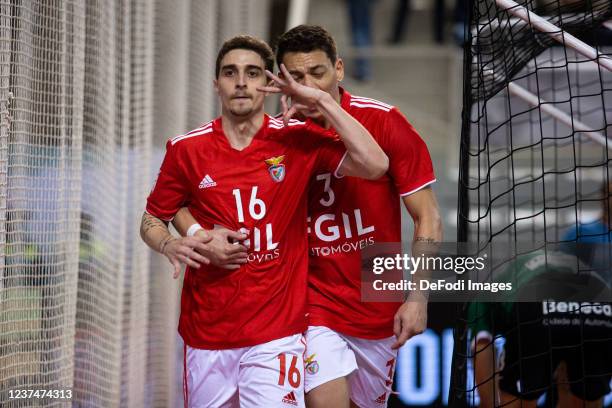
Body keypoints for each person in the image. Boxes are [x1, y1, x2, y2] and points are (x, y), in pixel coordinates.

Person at [174, 25, 442, 408]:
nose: (308, 86)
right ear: (279, 82)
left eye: (318, 74)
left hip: (375, 293)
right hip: (310, 304)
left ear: (339, 69)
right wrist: (198, 231)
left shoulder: (384, 122)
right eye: (296, 78)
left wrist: (418, 298)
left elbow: (428, 216)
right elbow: (178, 197)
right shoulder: (275, 137)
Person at [140, 35, 388, 407]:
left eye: (252, 73)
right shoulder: (186, 149)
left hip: (277, 335)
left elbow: (375, 164)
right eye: (230, 73)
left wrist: (320, 98)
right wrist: (174, 243)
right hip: (207, 333)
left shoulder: (298, 140)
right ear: (216, 84)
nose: (241, 82)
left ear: (269, 84)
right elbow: (152, 218)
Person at [468, 249, 612, 408]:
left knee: (517, 402)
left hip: (537, 299)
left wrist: (489, 403)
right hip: (600, 302)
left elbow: (482, 347)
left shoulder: (482, 299)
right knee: (587, 400)